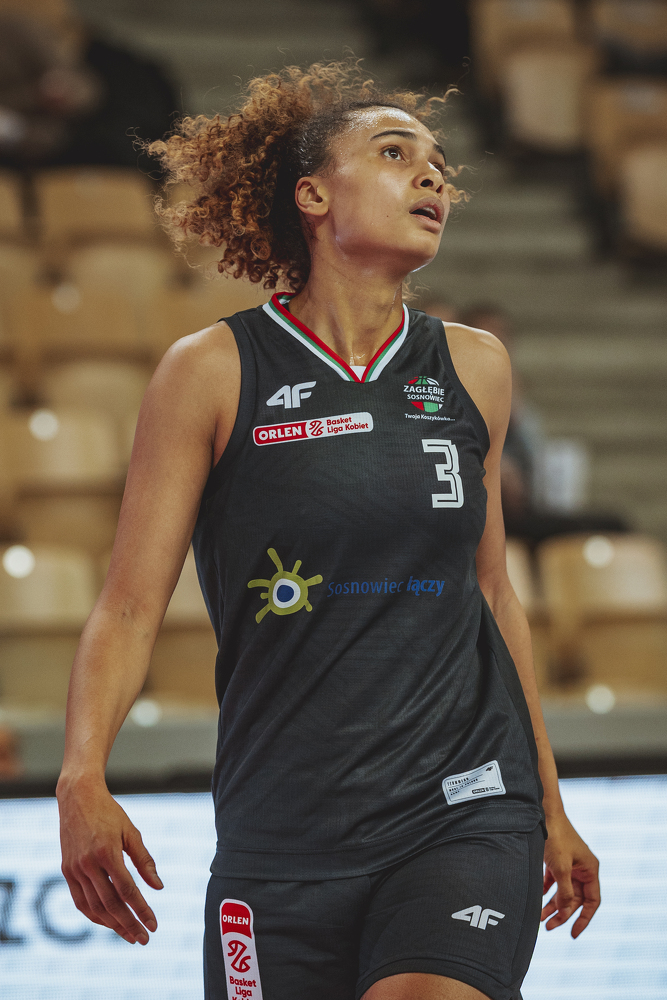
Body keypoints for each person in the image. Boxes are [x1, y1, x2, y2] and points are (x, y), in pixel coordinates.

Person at [56, 62, 600, 1000]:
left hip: (461, 809)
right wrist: (80, 778)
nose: (431, 176)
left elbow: (492, 594)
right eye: (394, 154)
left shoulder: (474, 367)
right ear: (312, 196)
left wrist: (549, 803)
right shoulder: (211, 370)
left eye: (438, 164)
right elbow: (131, 607)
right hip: (279, 831)